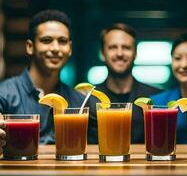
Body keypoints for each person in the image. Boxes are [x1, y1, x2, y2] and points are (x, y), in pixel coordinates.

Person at [0, 10, 85, 144]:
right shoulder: (5, 94)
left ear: (70, 48)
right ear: (30, 47)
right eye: (46, 40)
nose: (55, 48)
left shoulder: (79, 101)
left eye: (62, 41)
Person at [89, 23, 161, 144]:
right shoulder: (88, 99)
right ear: (102, 53)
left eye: (126, 47)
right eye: (112, 47)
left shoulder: (156, 98)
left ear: (135, 53)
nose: (120, 53)